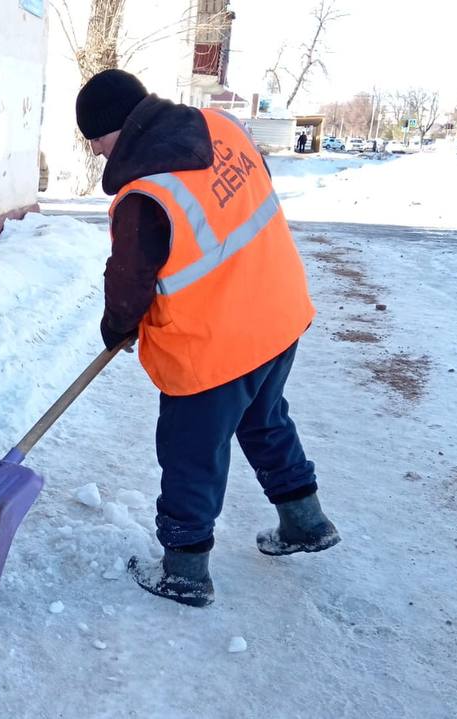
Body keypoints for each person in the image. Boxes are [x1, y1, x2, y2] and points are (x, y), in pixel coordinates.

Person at [75, 69, 340, 607]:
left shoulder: (145, 194)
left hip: (213, 346)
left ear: (114, 129)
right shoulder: (222, 127)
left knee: (190, 453)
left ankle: (186, 570)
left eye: (95, 140)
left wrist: (117, 328)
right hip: (276, 314)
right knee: (264, 417)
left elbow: (129, 284)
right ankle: (304, 520)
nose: (98, 153)